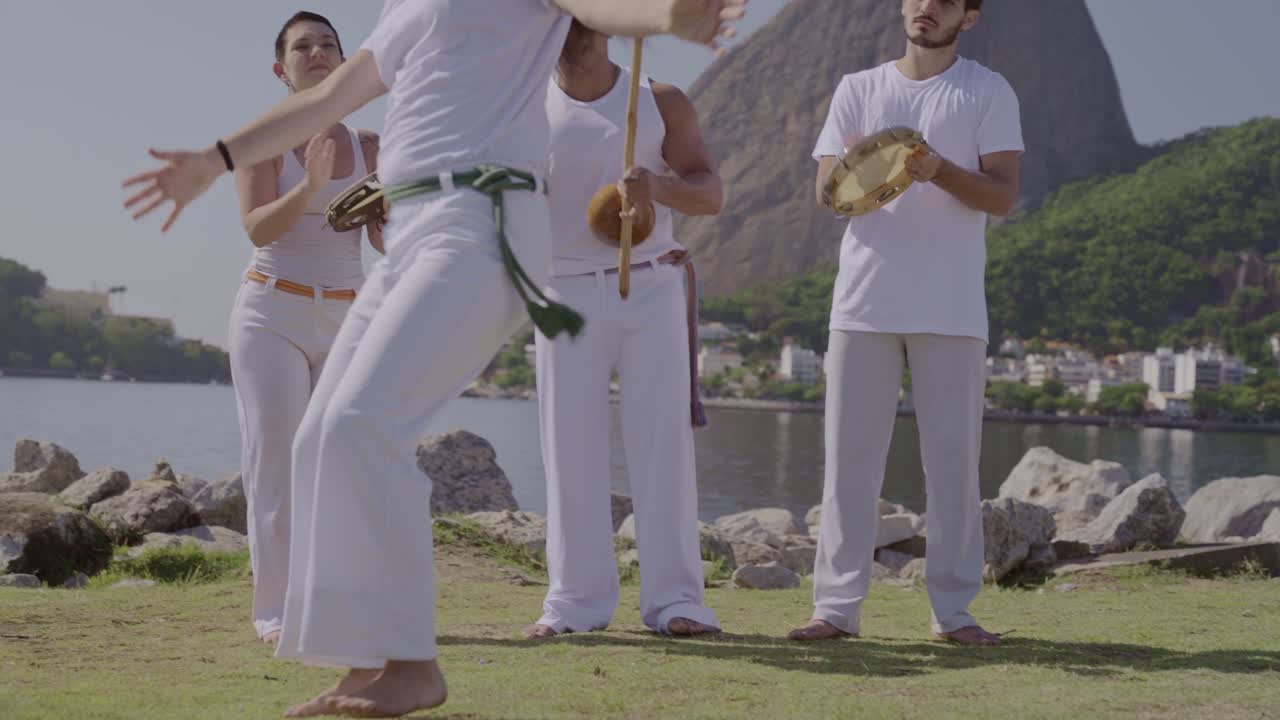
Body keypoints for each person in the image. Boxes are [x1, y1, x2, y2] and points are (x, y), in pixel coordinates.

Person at [123, 2, 747, 716]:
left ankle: (411, 664)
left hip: (479, 224)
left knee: (363, 424)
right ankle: (362, 659)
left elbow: (598, 3)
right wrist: (214, 159)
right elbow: (327, 99)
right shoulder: (409, 7)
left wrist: (666, 15)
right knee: (322, 438)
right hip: (412, 228)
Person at [789, 0, 1023, 647]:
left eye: (945, 1)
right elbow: (826, 192)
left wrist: (939, 170)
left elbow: (1002, 196)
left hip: (951, 309)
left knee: (953, 465)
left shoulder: (987, 90)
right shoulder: (857, 89)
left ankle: (954, 613)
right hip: (862, 304)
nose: (926, 8)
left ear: (968, 17)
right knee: (848, 463)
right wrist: (881, 166)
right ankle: (835, 609)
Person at [524, 20, 724, 641]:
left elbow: (709, 192)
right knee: (569, 449)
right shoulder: (523, 101)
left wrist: (657, 188)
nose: (573, 24)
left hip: (651, 283)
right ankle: (574, 603)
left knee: (663, 445)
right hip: (562, 290)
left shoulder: (660, 100)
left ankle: (676, 602)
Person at [229, 11, 383, 647]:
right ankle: (274, 610)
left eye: (328, 45)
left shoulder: (372, 147)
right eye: (302, 47)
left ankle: (333, 599)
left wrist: (393, 216)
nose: (317, 53)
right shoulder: (260, 140)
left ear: (343, 62)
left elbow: (382, 235)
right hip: (272, 312)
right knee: (276, 465)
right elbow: (257, 227)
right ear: (280, 68)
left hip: (348, 311)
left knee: (339, 459)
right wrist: (313, 186)